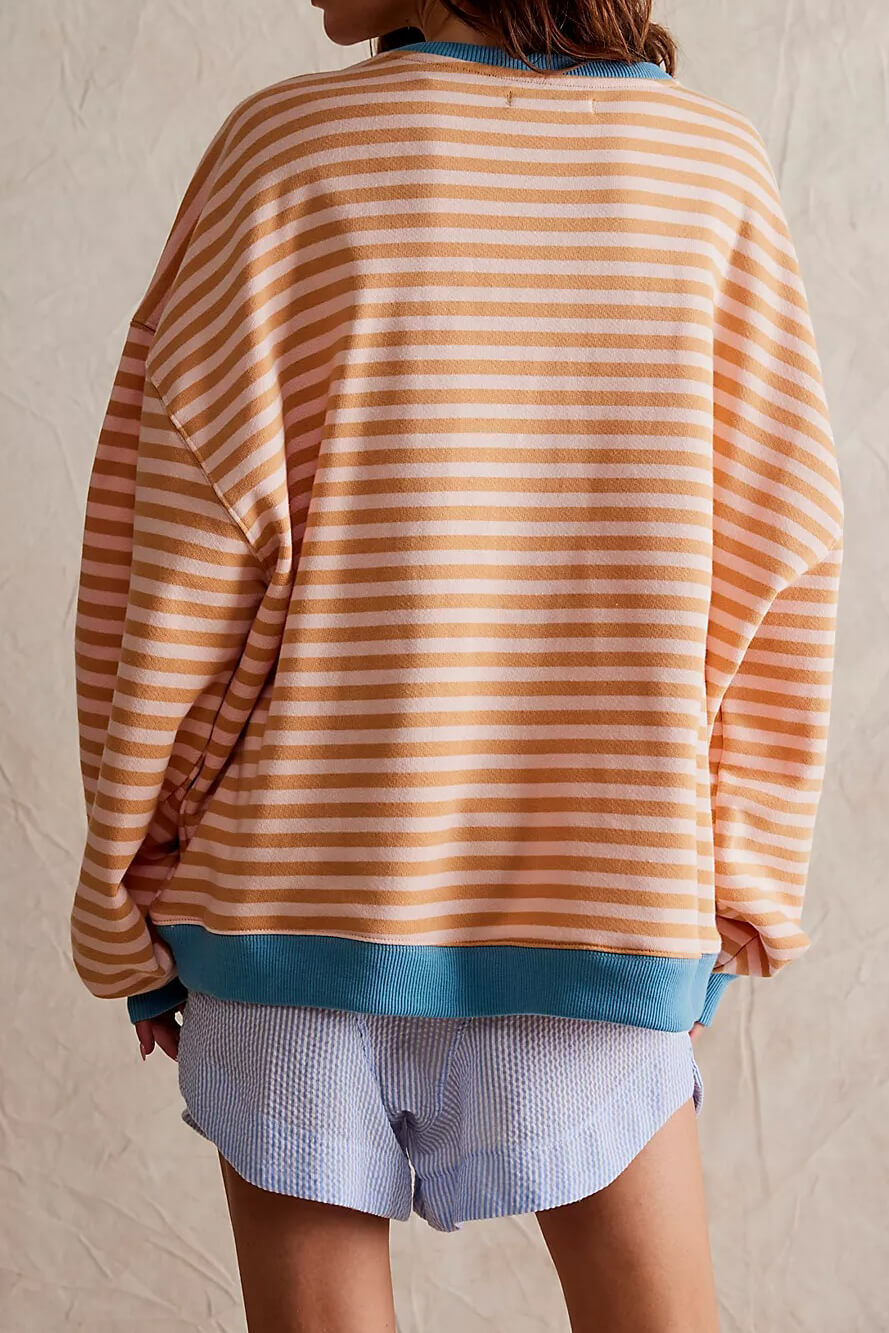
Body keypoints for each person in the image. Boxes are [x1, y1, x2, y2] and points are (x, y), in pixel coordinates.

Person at [69, 0, 844, 1328]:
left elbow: (173, 570)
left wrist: (128, 900)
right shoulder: (707, 169)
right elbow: (778, 573)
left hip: (287, 907)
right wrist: (729, 906)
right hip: (602, 905)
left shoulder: (284, 151)